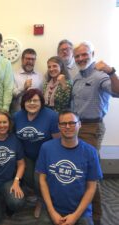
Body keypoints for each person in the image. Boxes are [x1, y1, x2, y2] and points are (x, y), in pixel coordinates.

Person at [72, 41, 119, 225]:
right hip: (76, 127)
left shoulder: (101, 75)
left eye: (84, 54)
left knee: (90, 172)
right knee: (79, 170)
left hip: (92, 128)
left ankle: (97, 216)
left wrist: (111, 71)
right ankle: (82, 207)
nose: (81, 58)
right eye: (77, 56)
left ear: (92, 53)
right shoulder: (77, 77)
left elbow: (118, 92)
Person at [36, 110, 103, 225]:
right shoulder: (46, 148)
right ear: (58, 126)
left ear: (79, 124)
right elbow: (42, 180)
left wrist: (75, 216)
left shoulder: (91, 152)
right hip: (52, 208)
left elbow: (91, 187)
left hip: (80, 211)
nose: (67, 127)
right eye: (63, 124)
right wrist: (52, 212)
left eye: (72, 123)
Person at [13, 88, 60, 218]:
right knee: (28, 178)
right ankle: (35, 193)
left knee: (38, 180)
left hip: (44, 156)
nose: (32, 103)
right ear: (24, 103)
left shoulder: (51, 116)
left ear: (41, 102)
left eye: (35, 100)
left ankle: (41, 201)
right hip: (26, 155)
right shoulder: (17, 116)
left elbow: (57, 139)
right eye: (28, 100)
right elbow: (14, 137)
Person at [11, 48, 43, 113]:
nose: (30, 61)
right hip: (18, 112)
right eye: (28, 59)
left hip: (36, 113)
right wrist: (23, 88)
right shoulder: (13, 75)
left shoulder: (40, 76)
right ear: (22, 60)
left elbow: (42, 95)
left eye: (32, 59)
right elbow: (12, 94)